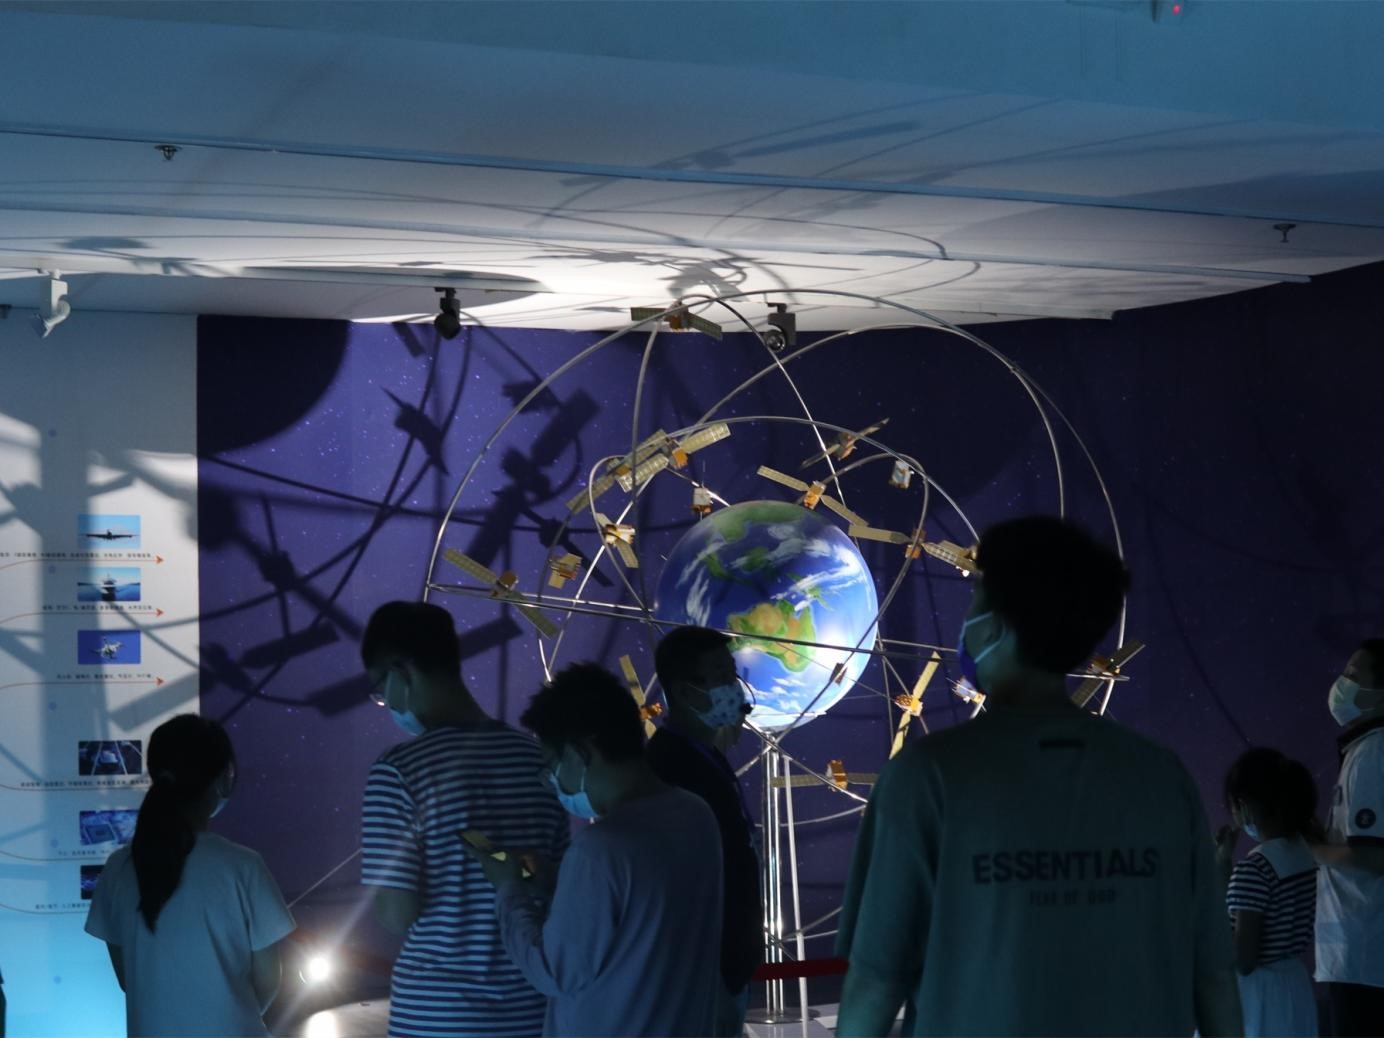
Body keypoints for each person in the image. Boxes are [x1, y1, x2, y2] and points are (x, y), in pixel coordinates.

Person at [835, 515, 1242, 1037]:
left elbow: (876, 979)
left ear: (999, 623)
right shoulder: (1162, 776)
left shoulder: (926, 778)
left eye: (977, 600)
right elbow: (1213, 975)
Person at [465, 662, 723, 1036]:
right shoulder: (697, 814)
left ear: (579, 752)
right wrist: (558, 886)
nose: (551, 780)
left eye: (551, 764)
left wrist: (509, 889)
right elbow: (639, 922)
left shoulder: (599, 848)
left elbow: (554, 972)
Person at [360, 601, 569, 1038]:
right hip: (533, 1009)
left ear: (401, 672)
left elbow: (396, 914)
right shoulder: (539, 759)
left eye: (380, 689)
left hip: (438, 1016)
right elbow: (558, 884)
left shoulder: (398, 770)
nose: (385, 703)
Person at [84, 714, 294, 1037]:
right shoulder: (243, 866)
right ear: (224, 778)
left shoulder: (117, 868)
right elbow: (269, 979)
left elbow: (128, 978)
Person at [647, 625, 763, 1037]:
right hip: (700, 970)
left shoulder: (703, 754)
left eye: (732, 673)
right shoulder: (669, 766)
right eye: (721, 676)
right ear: (683, 691)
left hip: (722, 964)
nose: (733, 687)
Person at [1215, 748, 1319, 1037]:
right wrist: (1223, 864)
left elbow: (1244, 961)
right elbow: (1246, 905)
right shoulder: (1304, 853)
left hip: (1257, 999)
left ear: (1244, 805)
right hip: (1293, 987)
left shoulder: (1255, 868)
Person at [1311, 639, 1384, 1036]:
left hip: (1365, 957)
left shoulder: (1373, 752)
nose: (1342, 684)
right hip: (1360, 958)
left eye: (1354, 676)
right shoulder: (1363, 750)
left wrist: (1313, 849)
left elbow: (1373, 856)